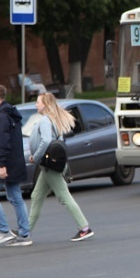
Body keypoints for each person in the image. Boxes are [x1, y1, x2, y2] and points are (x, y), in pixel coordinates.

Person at [26, 92, 93, 242]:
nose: (36, 105)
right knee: (36, 196)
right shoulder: (53, 120)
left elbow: (45, 142)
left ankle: (85, 228)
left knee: (64, 197)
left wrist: (35, 157)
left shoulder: (45, 120)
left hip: (48, 166)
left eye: (38, 102)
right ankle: (26, 231)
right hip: (49, 165)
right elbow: (59, 142)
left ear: (45, 105)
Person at [0, 84, 33, 248]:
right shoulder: (10, 114)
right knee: (16, 197)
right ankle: (24, 234)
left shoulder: (2, 116)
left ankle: (3, 231)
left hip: (2, 164)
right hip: (14, 162)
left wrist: (2, 165)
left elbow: (3, 143)